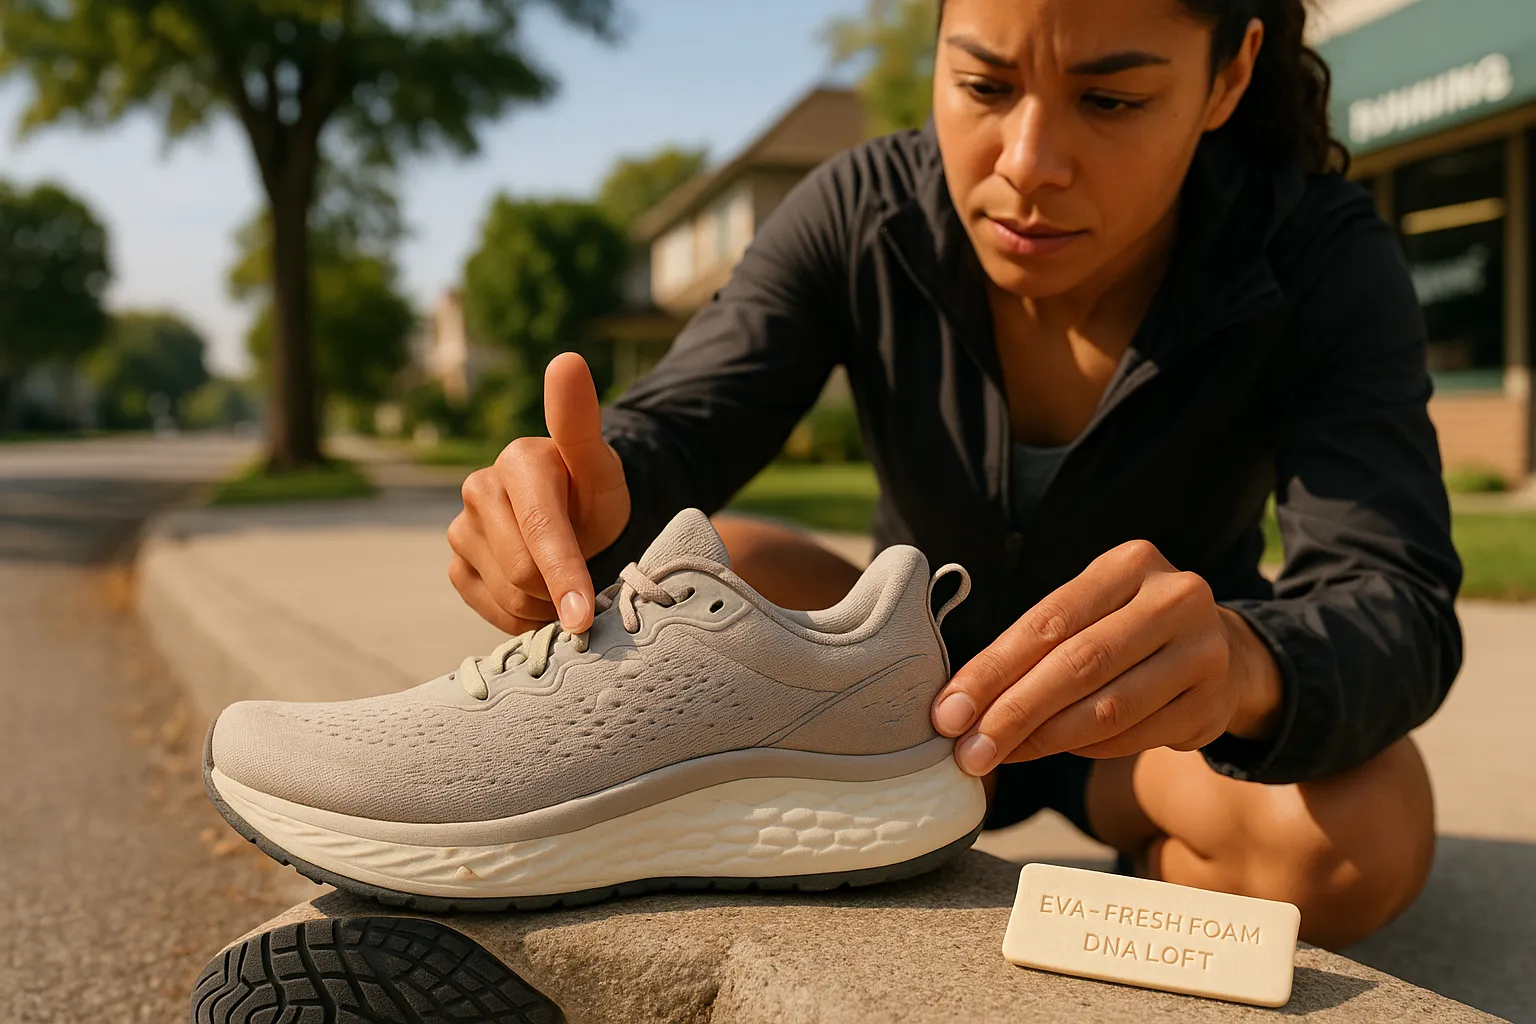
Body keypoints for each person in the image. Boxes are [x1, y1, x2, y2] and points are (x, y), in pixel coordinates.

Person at [448, 0, 1462, 949]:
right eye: (984, 86)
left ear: (1228, 77)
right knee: (712, 576)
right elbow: (681, 423)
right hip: (883, 701)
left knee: (1353, 841)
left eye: (1110, 100)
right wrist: (585, 502)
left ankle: (1102, 860)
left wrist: (1247, 659)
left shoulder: (1321, 255)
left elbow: (1393, 591)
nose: (1029, 164)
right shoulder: (859, 210)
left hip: (1144, 732)